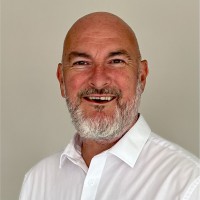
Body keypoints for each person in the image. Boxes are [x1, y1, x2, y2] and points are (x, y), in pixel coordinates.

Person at [19, 12, 200, 200]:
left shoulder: (189, 185)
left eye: (116, 61)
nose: (98, 81)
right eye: (81, 63)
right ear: (62, 81)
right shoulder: (37, 181)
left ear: (142, 77)